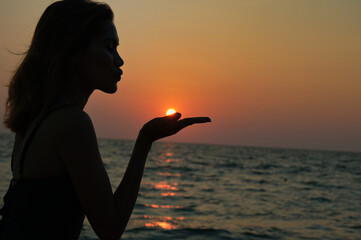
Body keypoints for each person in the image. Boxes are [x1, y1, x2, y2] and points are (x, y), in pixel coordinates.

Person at [0, 0, 211, 239]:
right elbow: (110, 228)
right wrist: (145, 141)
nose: (119, 61)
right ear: (73, 52)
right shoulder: (72, 123)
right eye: (110, 47)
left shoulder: (33, 120)